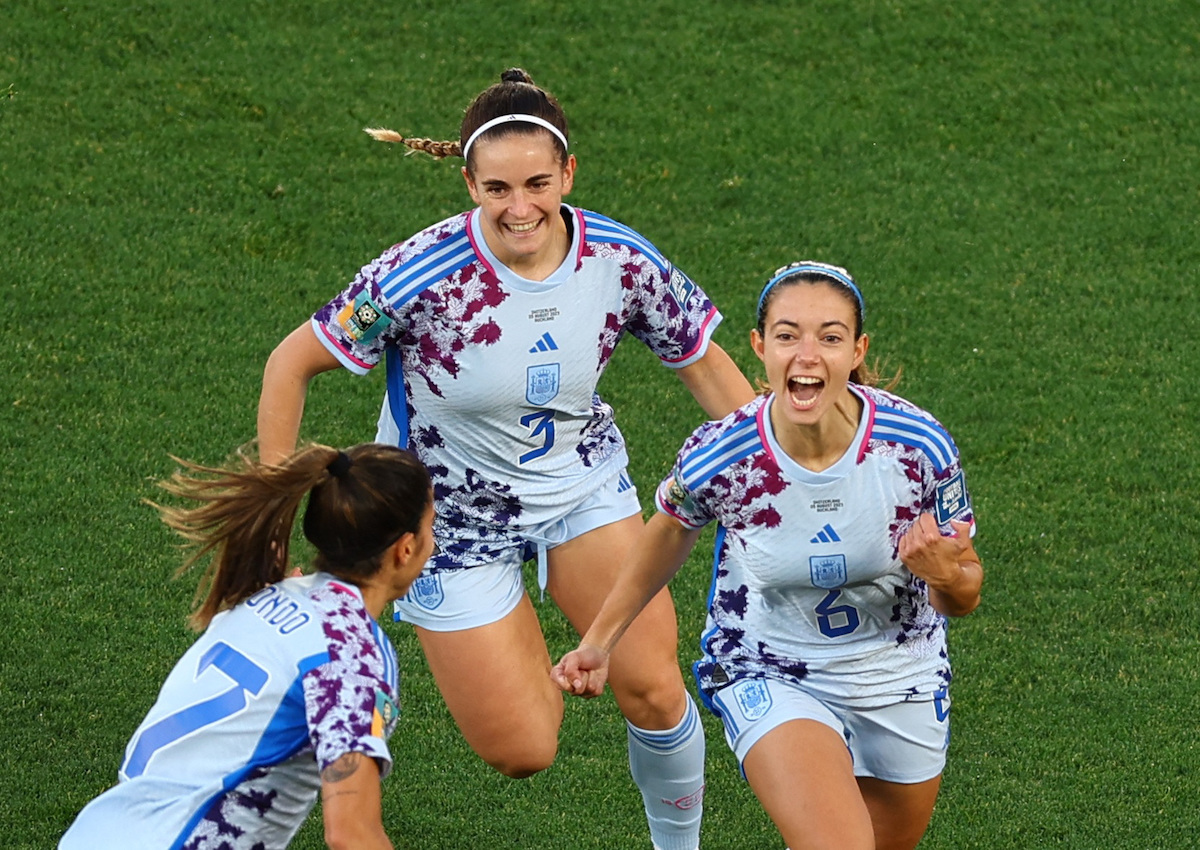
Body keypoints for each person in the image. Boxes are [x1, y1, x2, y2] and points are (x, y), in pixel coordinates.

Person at [257, 68, 755, 850]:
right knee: (526, 750)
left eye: (536, 184)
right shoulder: (419, 274)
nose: (519, 208)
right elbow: (290, 364)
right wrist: (270, 524)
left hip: (579, 488)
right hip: (446, 524)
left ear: (568, 174)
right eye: (496, 189)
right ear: (467, 181)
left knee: (656, 689)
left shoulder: (619, 259)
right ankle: (521, 612)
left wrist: (774, 469)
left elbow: (702, 360)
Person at [552, 261, 984, 850]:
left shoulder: (915, 449)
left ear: (857, 350)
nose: (806, 355)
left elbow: (964, 591)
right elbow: (669, 529)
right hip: (769, 666)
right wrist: (599, 641)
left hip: (898, 673)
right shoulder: (724, 454)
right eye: (787, 335)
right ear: (759, 346)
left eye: (830, 337)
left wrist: (946, 577)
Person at [60, 443, 435, 850]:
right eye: (431, 527)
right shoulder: (350, 656)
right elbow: (352, 834)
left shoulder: (269, 596)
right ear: (406, 548)